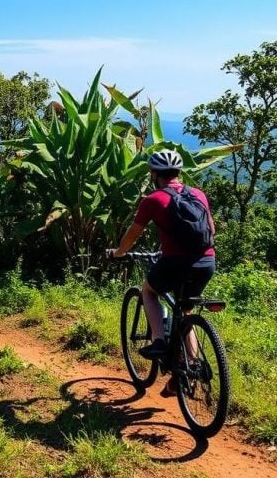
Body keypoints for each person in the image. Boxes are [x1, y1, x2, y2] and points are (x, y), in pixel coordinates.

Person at [109, 149, 216, 395]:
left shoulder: (154, 200)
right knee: (185, 310)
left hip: (175, 263)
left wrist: (118, 252)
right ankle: (190, 366)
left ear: (154, 174)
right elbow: (211, 230)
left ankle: (158, 340)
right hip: (206, 262)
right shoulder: (198, 194)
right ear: (179, 172)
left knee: (149, 291)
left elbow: (131, 236)